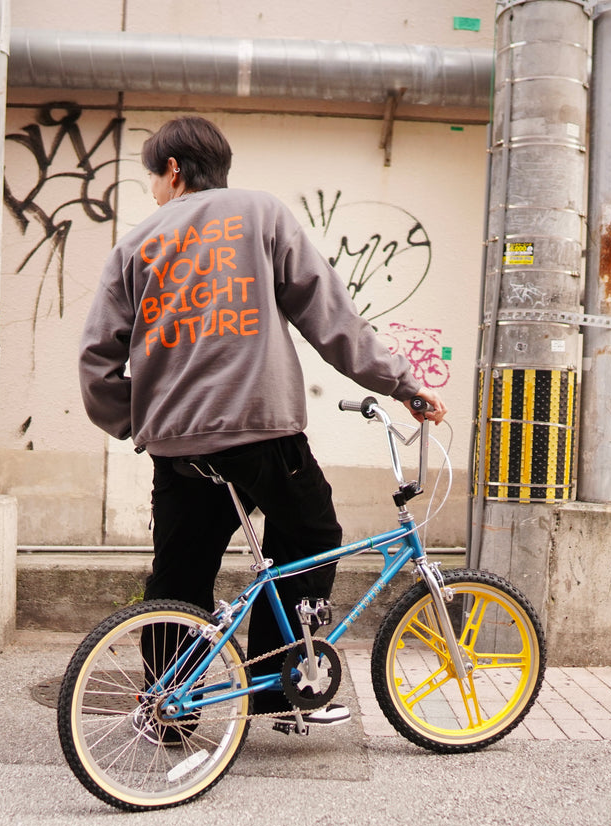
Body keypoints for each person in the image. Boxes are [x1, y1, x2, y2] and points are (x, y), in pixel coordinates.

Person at [79, 116, 446, 728]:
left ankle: (170, 709)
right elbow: (330, 317)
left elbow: (98, 357)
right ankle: (282, 690)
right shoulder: (262, 214)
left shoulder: (136, 242)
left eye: (151, 176)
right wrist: (401, 383)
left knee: (180, 576)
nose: (153, 189)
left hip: (178, 445)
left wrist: (138, 422)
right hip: (262, 432)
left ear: (173, 171)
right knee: (308, 539)